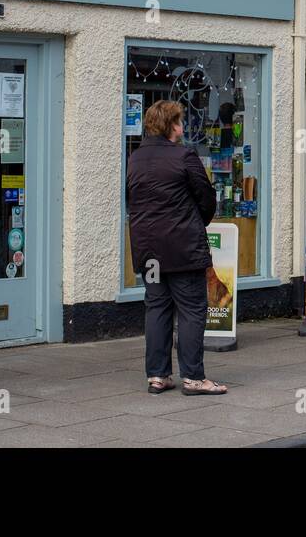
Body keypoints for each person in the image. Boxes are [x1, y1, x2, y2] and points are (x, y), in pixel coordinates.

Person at [126, 100, 227, 395]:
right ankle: (194, 377)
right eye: (180, 122)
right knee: (192, 309)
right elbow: (206, 197)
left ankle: (158, 376)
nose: (183, 128)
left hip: (149, 250)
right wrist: (199, 220)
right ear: (171, 126)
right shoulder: (185, 156)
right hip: (182, 249)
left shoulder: (135, 158)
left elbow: (131, 199)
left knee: (157, 307)